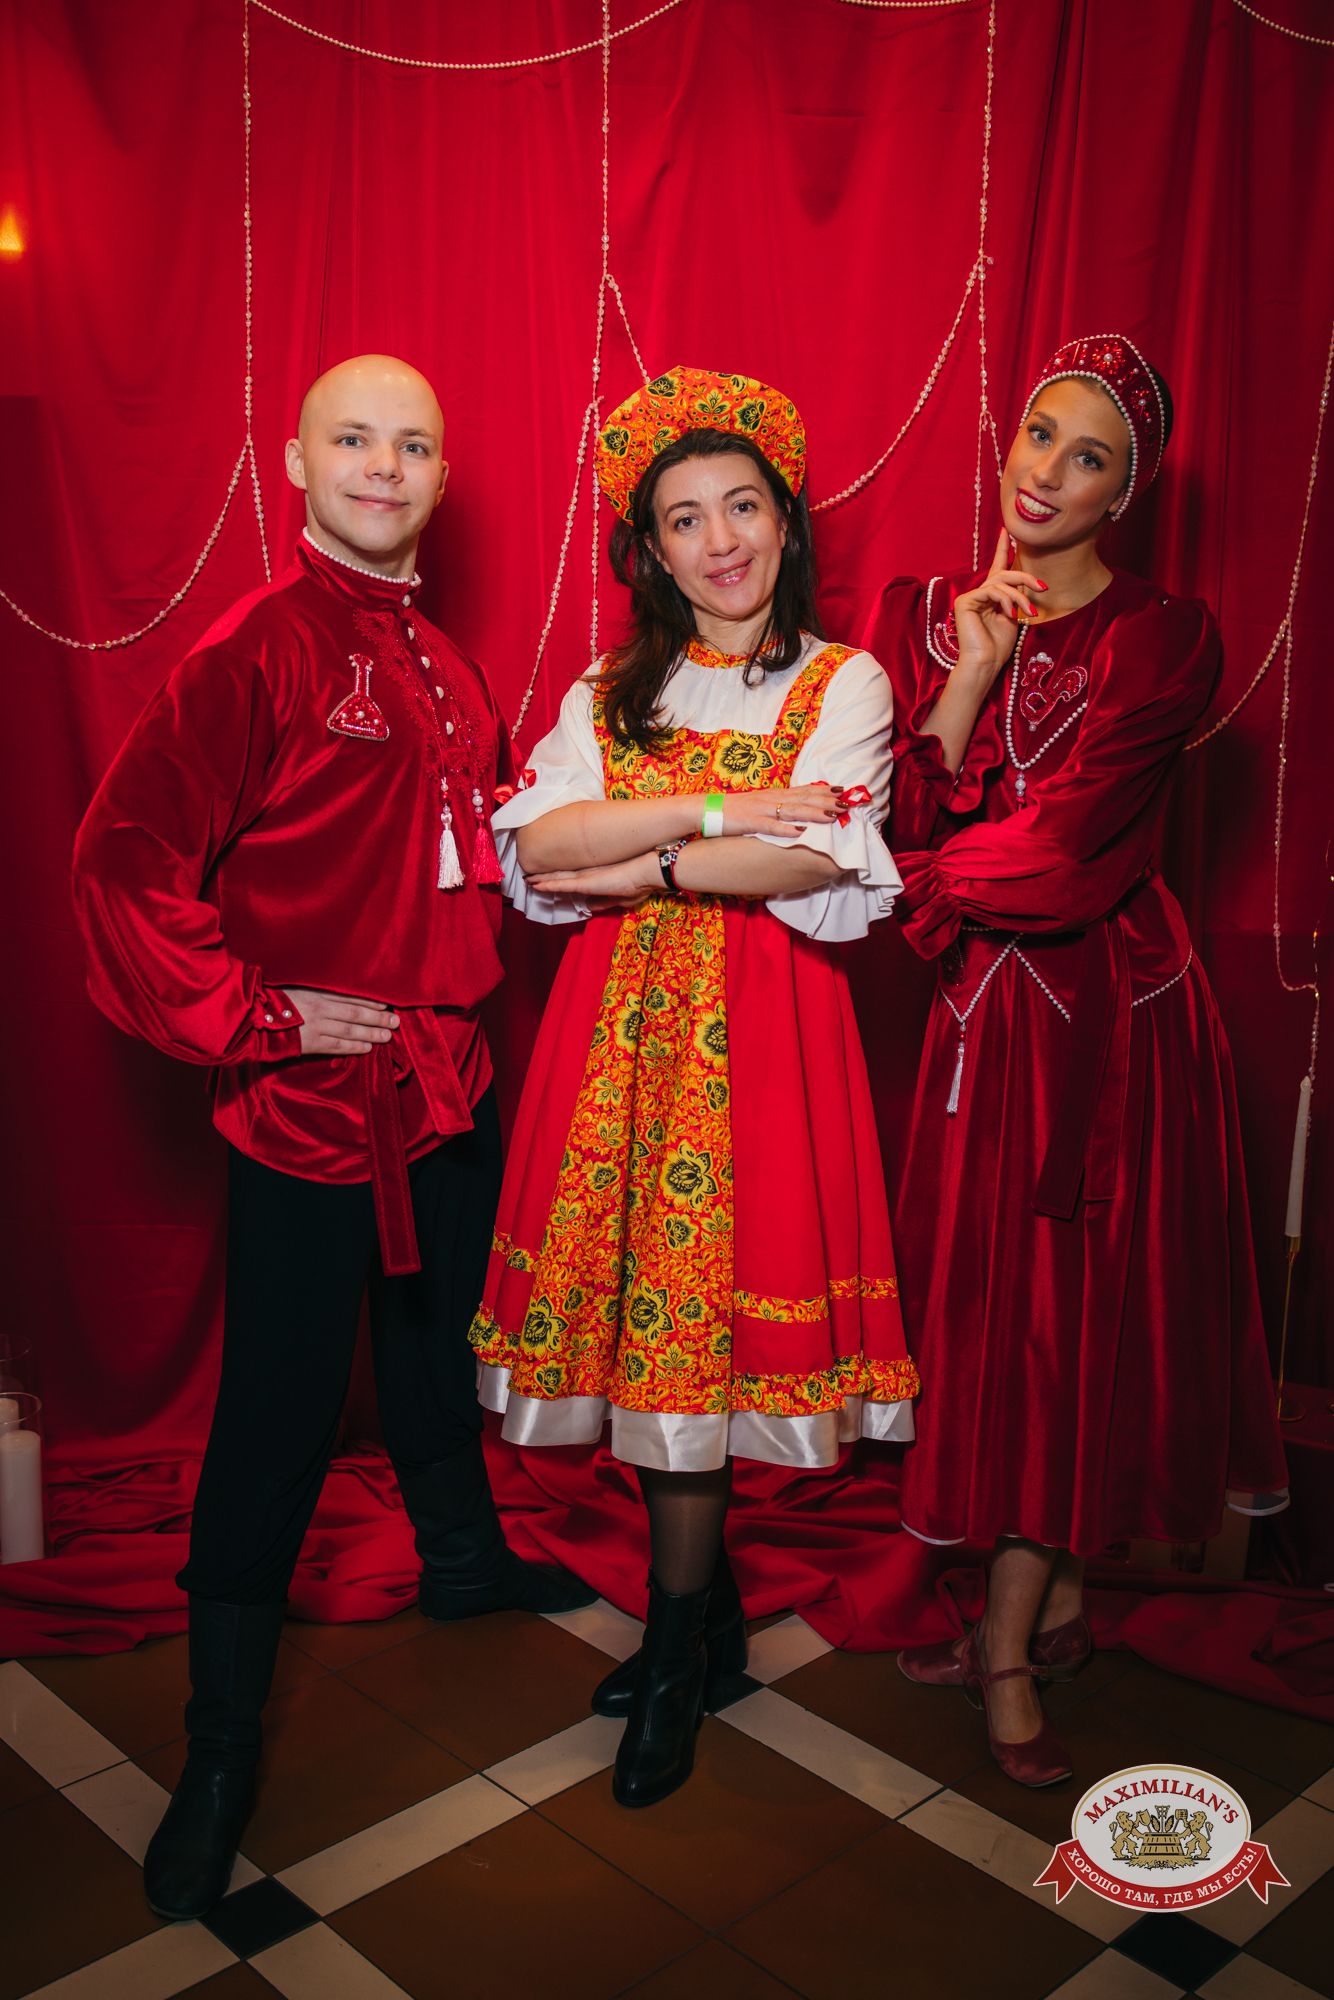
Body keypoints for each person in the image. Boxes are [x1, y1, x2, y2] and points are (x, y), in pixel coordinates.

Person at [71, 354, 592, 1920]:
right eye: (352, 438)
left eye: (412, 443)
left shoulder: (447, 660)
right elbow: (121, 863)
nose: (383, 464)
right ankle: (219, 1748)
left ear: (442, 474)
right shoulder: (256, 648)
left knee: (434, 1344)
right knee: (281, 1413)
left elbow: (480, 853)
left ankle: (462, 1561)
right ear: (293, 463)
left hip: (446, 1080)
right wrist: (260, 1014)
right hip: (310, 1106)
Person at [468, 366, 918, 1808]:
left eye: (742, 508)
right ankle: (699, 1617)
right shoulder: (605, 693)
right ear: (649, 550)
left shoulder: (846, 681)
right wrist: (708, 814)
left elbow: (813, 859)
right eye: (683, 519)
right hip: (614, 1051)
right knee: (644, 1344)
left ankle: (675, 1646)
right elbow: (540, 850)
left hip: (765, 1048)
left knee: (704, 1349)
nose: (720, 541)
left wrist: (636, 856)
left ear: (785, 521)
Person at [867, 334, 1288, 1787]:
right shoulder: (922, 614)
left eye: (1089, 455)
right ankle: (1041, 1611)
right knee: (989, 1322)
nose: (1047, 472)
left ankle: (1005, 1649)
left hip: (1109, 1026)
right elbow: (900, 819)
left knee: (1070, 1322)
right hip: (978, 1023)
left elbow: (1060, 860)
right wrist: (974, 673)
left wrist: (911, 886)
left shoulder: (1164, 635)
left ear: (1128, 489)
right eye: (1039, 433)